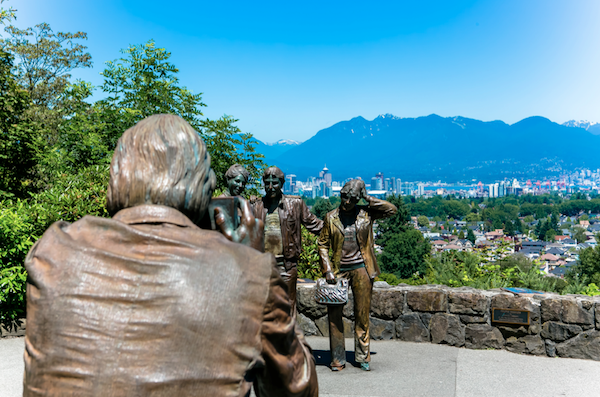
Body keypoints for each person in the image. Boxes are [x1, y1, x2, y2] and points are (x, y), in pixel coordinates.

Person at [23, 114, 318, 397]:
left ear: (117, 177)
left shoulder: (52, 252)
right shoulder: (249, 272)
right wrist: (251, 262)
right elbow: (295, 389)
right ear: (204, 186)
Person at [318, 179, 397, 372]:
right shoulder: (330, 217)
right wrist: (327, 269)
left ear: (358, 199)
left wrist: (368, 198)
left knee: (362, 314)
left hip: (362, 268)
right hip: (338, 271)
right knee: (335, 316)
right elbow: (322, 245)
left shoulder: (366, 214)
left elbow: (391, 210)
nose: (347, 202)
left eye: (352, 199)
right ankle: (337, 358)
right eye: (344, 196)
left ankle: (363, 355)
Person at [252, 166, 323, 310]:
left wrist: (339, 225)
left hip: (287, 265)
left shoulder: (295, 204)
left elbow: (315, 225)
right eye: (267, 183)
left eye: (275, 183)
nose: (270, 187)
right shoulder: (256, 206)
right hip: (263, 266)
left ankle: (289, 333)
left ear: (282, 183)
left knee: (288, 305)